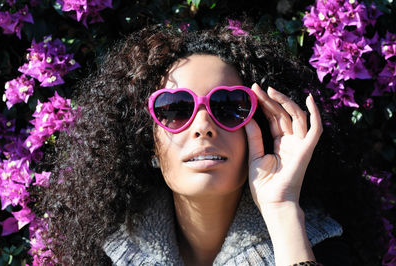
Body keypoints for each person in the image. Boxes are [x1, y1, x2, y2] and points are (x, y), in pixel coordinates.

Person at [33, 23, 383, 265]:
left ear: (259, 126)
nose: (203, 126)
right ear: (147, 143)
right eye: (174, 109)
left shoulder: (319, 247)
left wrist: (282, 210)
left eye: (229, 107)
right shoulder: (104, 254)